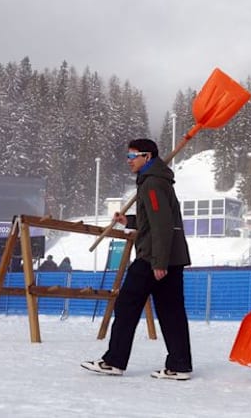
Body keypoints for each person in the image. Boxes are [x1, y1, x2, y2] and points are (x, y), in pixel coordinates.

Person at [81, 138, 193, 380]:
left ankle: (114, 361)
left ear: (147, 157)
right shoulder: (156, 181)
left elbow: (162, 225)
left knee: (126, 305)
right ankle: (180, 365)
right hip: (170, 257)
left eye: (133, 156)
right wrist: (128, 221)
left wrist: (159, 262)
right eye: (128, 156)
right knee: (171, 312)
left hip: (153, 257)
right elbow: (153, 219)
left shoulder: (152, 184)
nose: (129, 161)